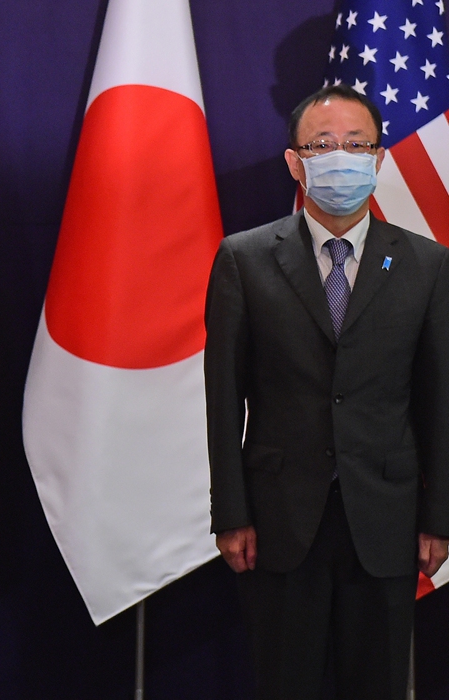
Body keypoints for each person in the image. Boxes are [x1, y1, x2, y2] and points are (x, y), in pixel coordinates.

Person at [205, 84, 449, 699]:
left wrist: (439, 517)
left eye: (356, 143)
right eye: (322, 144)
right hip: (280, 520)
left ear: (379, 158)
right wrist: (230, 514)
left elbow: (439, 400)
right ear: (295, 161)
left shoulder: (427, 264)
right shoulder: (244, 258)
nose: (340, 155)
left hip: (387, 520)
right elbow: (222, 397)